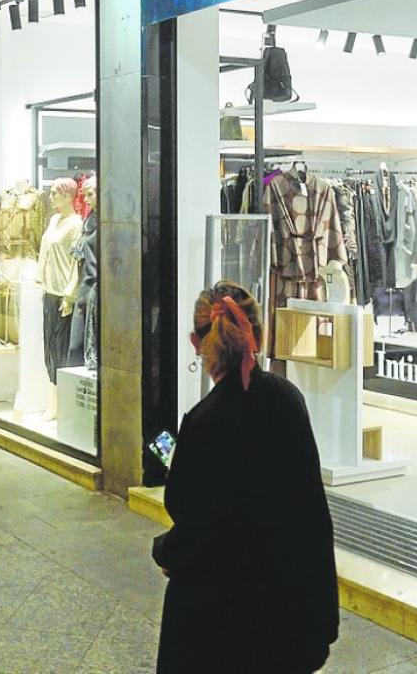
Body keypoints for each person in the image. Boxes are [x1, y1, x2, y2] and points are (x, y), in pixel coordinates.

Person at [152, 280, 339, 673]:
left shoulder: (205, 422)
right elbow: (309, 511)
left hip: (222, 627)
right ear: (259, 334)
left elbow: (198, 525)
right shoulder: (288, 399)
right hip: (291, 617)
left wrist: (166, 552)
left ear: (195, 342)